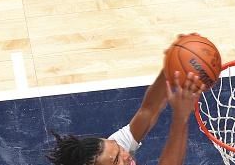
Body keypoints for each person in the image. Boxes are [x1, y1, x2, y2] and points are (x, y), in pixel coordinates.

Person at [47, 69, 204, 165]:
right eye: (117, 161)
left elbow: (148, 110)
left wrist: (171, 64)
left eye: (119, 148)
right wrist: (180, 117)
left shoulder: (112, 151)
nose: (126, 155)